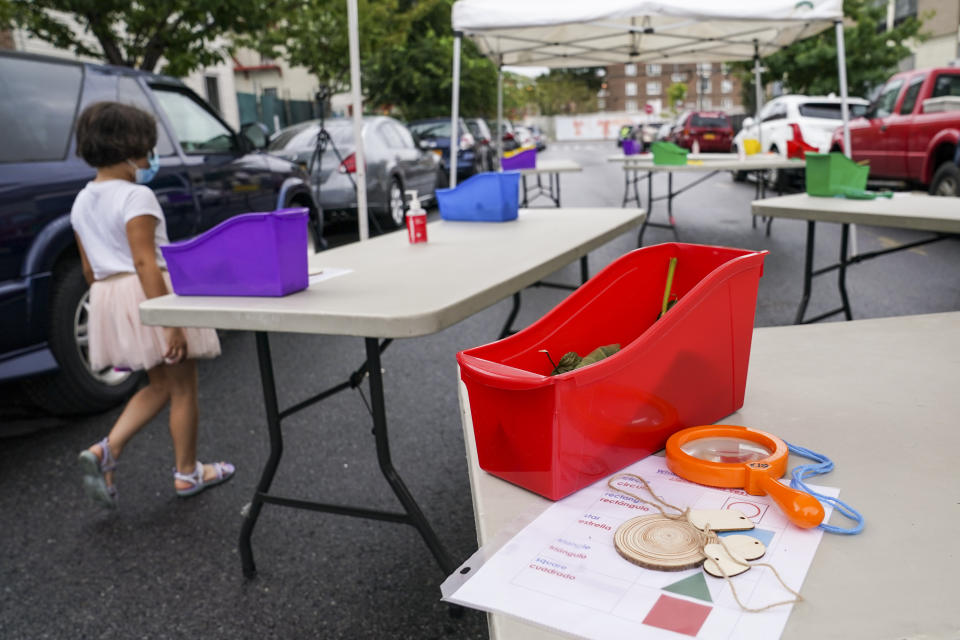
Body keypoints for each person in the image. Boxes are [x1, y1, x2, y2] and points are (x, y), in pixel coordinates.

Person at [72, 101, 234, 508]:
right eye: (147, 150)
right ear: (130, 151)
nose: (150, 159)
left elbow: (90, 271)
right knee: (183, 388)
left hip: (109, 294)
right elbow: (145, 261)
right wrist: (171, 322)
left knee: (158, 384)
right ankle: (187, 471)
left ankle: (106, 450)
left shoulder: (81, 202)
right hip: (150, 292)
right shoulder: (136, 196)